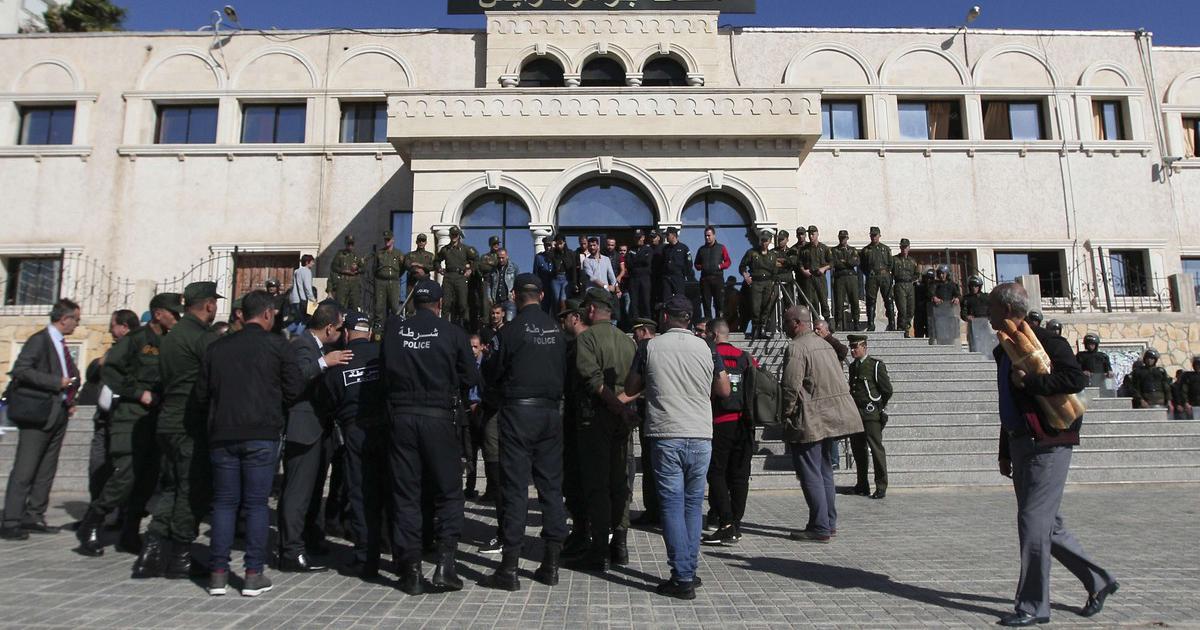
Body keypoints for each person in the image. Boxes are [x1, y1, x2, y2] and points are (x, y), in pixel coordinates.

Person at [988, 282, 1118, 626]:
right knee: (1048, 526)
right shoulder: (1003, 349)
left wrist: (1028, 383)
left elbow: (1074, 379)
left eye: (990, 307)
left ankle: (1032, 606)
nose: (984, 313)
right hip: (1020, 444)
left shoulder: (1047, 339)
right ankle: (1099, 582)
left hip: (1049, 443)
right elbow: (1008, 403)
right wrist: (1004, 451)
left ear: (1005, 309)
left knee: (1032, 523)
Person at [198, 290, 303, 597]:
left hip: (223, 434)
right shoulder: (278, 346)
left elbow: (201, 396)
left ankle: (218, 573)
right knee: (256, 504)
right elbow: (294, 389)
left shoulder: (217, 348)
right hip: (261, 433)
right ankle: (252, 573)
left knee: (224, 503)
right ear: (268, 314)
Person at [625, 295, 730, 600]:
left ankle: (682, 576)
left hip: (666, 433)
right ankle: (689, 569)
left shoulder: (649, 347)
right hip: (700, 434)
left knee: (672, 505)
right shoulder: (707, 347)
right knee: (693, 505)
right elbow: (723, 389)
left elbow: (631, 388)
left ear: (667, 318)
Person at [381, 280, 478, 595]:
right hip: (438, 416)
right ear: (439, 304)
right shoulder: (452, 333)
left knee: (406, 493)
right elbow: (471, 376)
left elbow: (383, 371)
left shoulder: (395, 331)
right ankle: (445, 564)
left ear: (413, 304)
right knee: (449, 492)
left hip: (401, 417)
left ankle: (410, 571)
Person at [480, 274, 569, 590]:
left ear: (515, 296)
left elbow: (490, 371)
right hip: (550, 413)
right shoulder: (557, 333)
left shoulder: (510, 332)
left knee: (515, 487)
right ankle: (551, 564)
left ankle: (509, 568)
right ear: (543, 295)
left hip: (519, 412)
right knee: (551, 487)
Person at [76, 293, 181, 557]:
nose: (177, 318)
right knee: (125, 475)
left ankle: (130, 532)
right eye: (174, 313)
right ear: (158, 313)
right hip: (131, 417)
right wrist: (136, 392)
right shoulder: (136, 340)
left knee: (146, 480)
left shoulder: (171, 342)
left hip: (155, 419)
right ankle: (92, 523)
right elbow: (110, 370)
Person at [139, 282, 220, 580]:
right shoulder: (202, 338)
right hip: (190, 422)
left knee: (172, 487)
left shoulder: (171, 337)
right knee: (192, 488)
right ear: (209, 305)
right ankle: (181, 556)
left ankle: (152, 549)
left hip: (168, 419)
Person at [278, 303, 353, 573]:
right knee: (297, 492)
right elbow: (296, 378)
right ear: (329, 327)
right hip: (303, 428)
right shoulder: (302, 345)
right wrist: (324, 363)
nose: (343, 333)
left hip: (321, 429)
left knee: (312, 490)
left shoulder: (319, 347)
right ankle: (290, 550)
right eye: (341, 327)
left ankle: (310, 537)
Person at [0, 298, 81, 541]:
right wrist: (56, 382)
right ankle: (11, 520)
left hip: (57, 411)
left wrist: (69, 397)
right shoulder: (40, 340)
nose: (77, 324)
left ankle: (34, 514)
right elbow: (22, 370)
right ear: (63, 318)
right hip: (37, 412)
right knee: (25, 468)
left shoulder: (60, 343)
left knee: (47, 468)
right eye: (75, 319)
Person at [780, 305, 861, 543]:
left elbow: (790, 385)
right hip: (831, 415)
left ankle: (819, 526)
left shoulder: (797, 347)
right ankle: (828, 522)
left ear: (796, 323)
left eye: (786, 322)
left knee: (810, 473)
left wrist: (785, 413)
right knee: (825, 470)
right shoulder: (824, 343)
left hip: (810, 416)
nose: (784, 326)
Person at [569, 288, 637, 572]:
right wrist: (624, 406)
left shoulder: (586, 339)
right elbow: (638, 382)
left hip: (596, 419)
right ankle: (619, 545)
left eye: (586, 308)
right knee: (620, 482)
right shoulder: (627, 341)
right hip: (623, 420)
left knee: (598, 485)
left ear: (593, 311)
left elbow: (593, 381)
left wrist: (614, 406)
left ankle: (599, 551)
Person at [321, 310, 388, 579]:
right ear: (370, 332)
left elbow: (329, 399)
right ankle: (389, 544)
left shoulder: (339, 362)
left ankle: (365, 557)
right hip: (384, 429)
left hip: (355, 432)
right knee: (388, 491)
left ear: (347, 334)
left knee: (360, 493)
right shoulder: (383, 355)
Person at [701, 319, 756, 547]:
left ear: (714, 334)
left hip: (719, 420)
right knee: (740, 475)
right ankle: (736, 522)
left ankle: (725, 523)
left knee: (716, 472)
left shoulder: (710, 355)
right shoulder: (745, 357)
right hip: (744, 422)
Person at [87, 309, 141, 504]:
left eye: (113, 326)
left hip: (124, 417)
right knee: (98, 464)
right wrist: (100, 363)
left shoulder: (140, 349)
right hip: (104, 418)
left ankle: (113, 512)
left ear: (124, 327)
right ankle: (95, 508)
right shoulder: (113, 350)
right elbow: (92, 374)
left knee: (120, 467)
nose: (110, 330)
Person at [557, 298, 591, 558]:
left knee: (578, 481)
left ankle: (582, 533)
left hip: (577, 418)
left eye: (564, 317)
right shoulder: (595, 340)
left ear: (576, 317)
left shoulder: (574, 345)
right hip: (591, 419)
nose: (561, 322)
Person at [846, 335, 893, 499]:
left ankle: (881, 485)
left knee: (876, 449)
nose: (852, 350)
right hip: (855, 414)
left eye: (855, 347)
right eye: (851, 348)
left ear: (864, 347)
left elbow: (887, 390)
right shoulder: (853, 367)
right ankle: (862, 484)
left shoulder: (875, 365)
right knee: (858, 450)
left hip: (871, 413)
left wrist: (879, 406)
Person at [628, 318, 661, 527]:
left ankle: (653, 510)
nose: (633, 336)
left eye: (636, 332)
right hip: (660, 411)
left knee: (650, 463)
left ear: (643, 331)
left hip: (648, 408)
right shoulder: (663, 346)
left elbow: (635, 383)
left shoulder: (645, 348)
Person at [739, 230, 781, 339]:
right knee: (755, 307)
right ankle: (755, 330)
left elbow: (775, 273)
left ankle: (762, 329)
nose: (764, 243)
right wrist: (746, 276)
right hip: (756, 282)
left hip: (768, 282)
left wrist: (773, 287)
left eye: (766, 240)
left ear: (770, 241)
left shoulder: (772, 255)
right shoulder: (752, 253)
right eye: (762, 240)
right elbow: (742, 266)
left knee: (766, 307)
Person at [435, 226, 477, 327]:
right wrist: (439, 269)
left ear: (459, 236)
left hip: (460, 278)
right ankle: (444, 327)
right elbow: (436, 260)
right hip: (448, 277)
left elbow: (476, 259)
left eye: (456, 235)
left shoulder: (465, 249)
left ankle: (464, 328)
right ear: (449, 235)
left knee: (462, 304)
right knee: (446, 305)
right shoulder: (445, 249)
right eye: (452, 234)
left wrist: (471, 269)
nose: (454, 236)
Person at [859, 227, 895, 331]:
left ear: (879, 235)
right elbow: (862, 265)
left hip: (884, 276)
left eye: (875, 235)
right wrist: (869, 273)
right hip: (872, 277)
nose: (873, 237)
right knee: (871, 300)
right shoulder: (866, 250)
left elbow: (890, 263)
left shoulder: (885, 249)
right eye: (872, 235)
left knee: (888, 299)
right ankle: (871, 324)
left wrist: (887, 273)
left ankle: (892, 323)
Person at [694, 226, 731, 320]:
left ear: (714, 235)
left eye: (709, 235)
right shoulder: (701, 249)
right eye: (705, 236)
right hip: (705, 280)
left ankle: (719, 323)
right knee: (706, 304)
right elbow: (696, 264)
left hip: (717, 279)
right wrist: (703, 267)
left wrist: (720, 266)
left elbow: (728, 262)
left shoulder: (721, 248)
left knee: (719, 303)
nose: (707, 237)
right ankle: (708, 323)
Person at [372, 230, 406, 328]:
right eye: (385, 239)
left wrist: (396, 275)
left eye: (388, 239)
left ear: (393, 240)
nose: (387, 241)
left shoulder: (398, 253)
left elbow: (402, 268)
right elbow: (374, 268)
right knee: (379, 306)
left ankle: (395, 327)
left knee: (395, 306)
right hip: (380, 282)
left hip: (393, 282)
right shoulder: (379, 253)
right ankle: (378, 328)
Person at [798, 226, 832, 323]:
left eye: (813, 234)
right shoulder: (804, 249)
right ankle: (816, 322)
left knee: (824, 301)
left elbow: (832, 262)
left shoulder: (824, 248)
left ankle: (828, 322)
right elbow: (799, 263)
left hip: (820, 277)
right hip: (809, 278)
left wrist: (824, 268)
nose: (811, 236)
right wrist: (803, 271)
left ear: (817, 234)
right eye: (809, 234)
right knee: (812, 302)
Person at [830, 230, 860, 332]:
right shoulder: (834, 250)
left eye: (844, 238)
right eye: (841, 238)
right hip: (840, 278)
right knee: (839, 302)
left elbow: (855, 262)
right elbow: (835, 263)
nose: (842, 240)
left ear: (847, 238)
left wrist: (845, 261)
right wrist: (847, 262)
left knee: (854, 301)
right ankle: (838, 323)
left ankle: (856, 322)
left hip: (851, 277)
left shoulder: (853, 250)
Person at [891, 239, 918, 336]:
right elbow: (890, 273)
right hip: (899, 284)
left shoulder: (912, 261)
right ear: (900, 247)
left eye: (906, 247)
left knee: (910, 310)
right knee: (902, 309)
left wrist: (912, 279)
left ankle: (906, 328)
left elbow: (917, 274)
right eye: (902, 247)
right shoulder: (894, 259)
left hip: (910, 285)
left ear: (909, 248)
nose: (904, 249)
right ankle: (901, 328)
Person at [475, 236, 503, 328]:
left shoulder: (500, 256)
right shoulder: (485, 257)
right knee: (486, 303)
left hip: (498, 282)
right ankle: (486, 323)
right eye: (494, 244)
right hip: (487, 281)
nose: (496, 246)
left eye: (497, 244)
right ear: (491, 245)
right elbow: (480, 268)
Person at [404, 234, 435, 315]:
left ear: (426, 242)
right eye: (420, 241)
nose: (421, 243)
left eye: (423, 241)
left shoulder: (430, 255)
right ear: (416, 242)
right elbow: (407, 265)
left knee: (425, 304)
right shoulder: (409, 255)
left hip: (425, 283)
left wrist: (422, 266)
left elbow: (433, 266)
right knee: (410, 305)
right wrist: (417, 270)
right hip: (412, 283)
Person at [331, 235, 364, 311]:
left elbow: (363, 269)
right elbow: (333, 267)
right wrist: (344, 271)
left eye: (352, 244)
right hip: (343, 282)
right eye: (348, 244)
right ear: (345, 244)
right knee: (340, 305)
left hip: (354, 283)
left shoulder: (357, 255)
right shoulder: (340, 254)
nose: (350, 246)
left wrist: (357, 269)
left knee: (354, 304)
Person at [485, 248, 518, 320]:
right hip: (497, 302)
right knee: (497, 324)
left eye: (502, 258)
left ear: (507, 256)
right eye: (499, 258)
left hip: (509, 300)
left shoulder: (513, 267)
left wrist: (514, 296)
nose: (501, 260)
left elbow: (517, 282)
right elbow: (489, 285)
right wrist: (490, 298)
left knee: (509, 322)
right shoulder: (493, 270)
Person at [628, 230, 653, 319]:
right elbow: (629, 263)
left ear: (643, 237)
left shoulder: (648, 249)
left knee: (645, 300)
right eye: (636, 237)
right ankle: (635, 321)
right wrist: (640, 260)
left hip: (644, 278)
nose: (638, 239)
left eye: (639, 237)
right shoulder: (631, 249)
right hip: (634, 278)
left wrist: (636, 260)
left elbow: (647, 262)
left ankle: (647, 321)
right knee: (634, 301)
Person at [661, 227, 691, 302]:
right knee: (667, 300)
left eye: (668, 235)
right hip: (667, 277)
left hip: (678, 277)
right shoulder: (665, 249)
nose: (666, 237)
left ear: (673, 235)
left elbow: (689, 263)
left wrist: (684, 275)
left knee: (679, 299)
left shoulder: (683, 248)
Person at [289, 254, 317, 329]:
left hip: (294, 299)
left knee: (298, 320)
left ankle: (288, 331)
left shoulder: (297, 271)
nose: (313, 264)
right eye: (312, 262)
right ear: (307, 262)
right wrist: (313, 300)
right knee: (305, 321)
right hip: (303, 300)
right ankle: (296, 336)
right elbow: (307, 287)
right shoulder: (307, 271)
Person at [534, 237, 555, 312]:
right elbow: (535, 273)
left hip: (554, 286)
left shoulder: (556, 257)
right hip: (544, 287)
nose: (548, 247)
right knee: (544, 309)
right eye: (546, 245)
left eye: (549, 245)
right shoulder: (539, 257)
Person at [914, 268, 935, 338]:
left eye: (930, 278)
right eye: (927, 278)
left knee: (930, 332)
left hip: (930, 312)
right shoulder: (917, 286)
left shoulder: (935, 286)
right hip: (919, 311)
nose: (929, 280)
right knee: (918, 332)